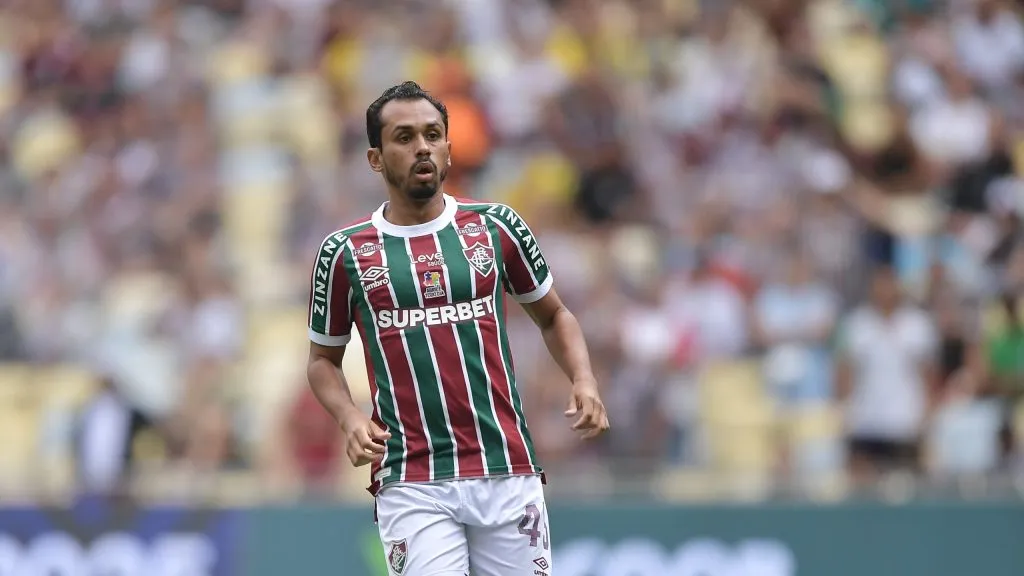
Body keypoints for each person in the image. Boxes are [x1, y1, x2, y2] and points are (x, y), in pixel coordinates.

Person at [305, 81, 609, 575]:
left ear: (448, 147)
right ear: (376, 158)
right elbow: (322, 361)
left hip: (505, 466)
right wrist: (350, 417)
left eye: (433, 134)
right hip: (412, 476)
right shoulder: (345, 253)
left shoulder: (495, 226)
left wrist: (583, 378)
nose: (422, 147)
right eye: (403, 137)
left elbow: (554, 314)